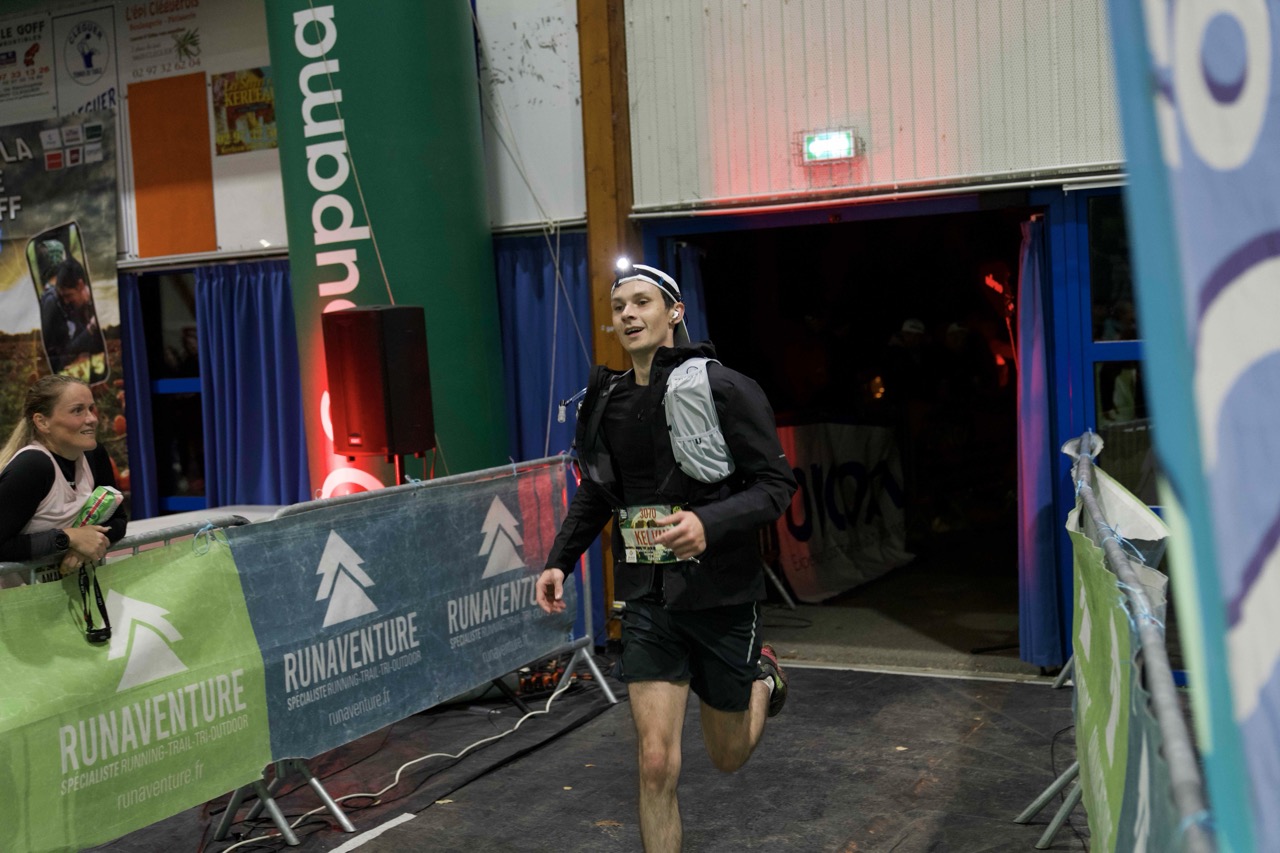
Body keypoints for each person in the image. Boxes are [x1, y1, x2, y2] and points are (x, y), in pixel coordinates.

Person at [536, 259, 797, 852]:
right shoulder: (606, 401)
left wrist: (709, 521)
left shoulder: (724, 388)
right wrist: (558, 559)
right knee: (655, 763)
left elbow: (776, 486)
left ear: (674, 312)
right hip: (647, 600)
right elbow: (598, 492)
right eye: (619, 306)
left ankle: (762, 678)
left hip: (722, 595)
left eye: (642, 302)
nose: (628, 314)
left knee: (728, 756)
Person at [0, 375, 128, 588]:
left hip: (63, 599)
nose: (92, 419)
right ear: (42, 422)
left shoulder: (94, 455)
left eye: (91, 408)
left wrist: (86, 544)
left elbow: (119, 520)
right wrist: (68, 538)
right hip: (15, 603)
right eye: (78, 410)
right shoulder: (32, 466)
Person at [40, 257, 103, 374]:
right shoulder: (61, 307)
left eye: (68, 295)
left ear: (80, 285)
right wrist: (91, 328)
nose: (66, 301)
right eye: (63, 296)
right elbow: (67, 350)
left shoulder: (98, 303)